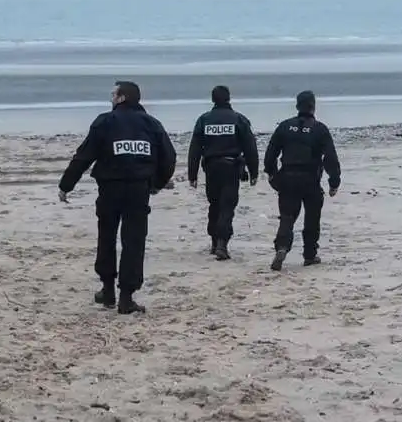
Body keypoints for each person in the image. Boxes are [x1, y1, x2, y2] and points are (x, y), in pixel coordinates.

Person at [58, 81, 177, 314]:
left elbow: (84, 156)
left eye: (113, 94)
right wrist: (157, 184)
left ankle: (109, 289)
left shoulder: (105, 122)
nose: (111, 98)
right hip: (137, 189)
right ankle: (125, 296)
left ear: (122, 98)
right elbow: (169, 158)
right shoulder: (151, 124)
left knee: (107, 237)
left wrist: (66, 185)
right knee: (134, 241)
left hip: (111, 188)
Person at [264, 90, 341, 271]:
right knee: (312, 218)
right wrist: (334, 181)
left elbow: (270, 154)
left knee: (287, 216)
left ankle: (282, 247)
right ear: (313, 106)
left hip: (288, 177)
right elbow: (330, 157)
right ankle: (310, 254)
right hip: (310, 179)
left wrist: (273, 175)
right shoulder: (319, 129)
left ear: (297, 106)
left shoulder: (284, 127)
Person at [187, 85, 259, 260]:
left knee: (214, 204)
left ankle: (214, 241)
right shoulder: (238, 119)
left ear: (213, 100)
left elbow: (195, 148)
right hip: (231, 167)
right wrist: (254, 171)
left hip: (211, 167)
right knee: (227, 206)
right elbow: (250, 147)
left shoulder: (204, 120)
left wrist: (192, 174)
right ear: (228, 99)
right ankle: (222, 243)